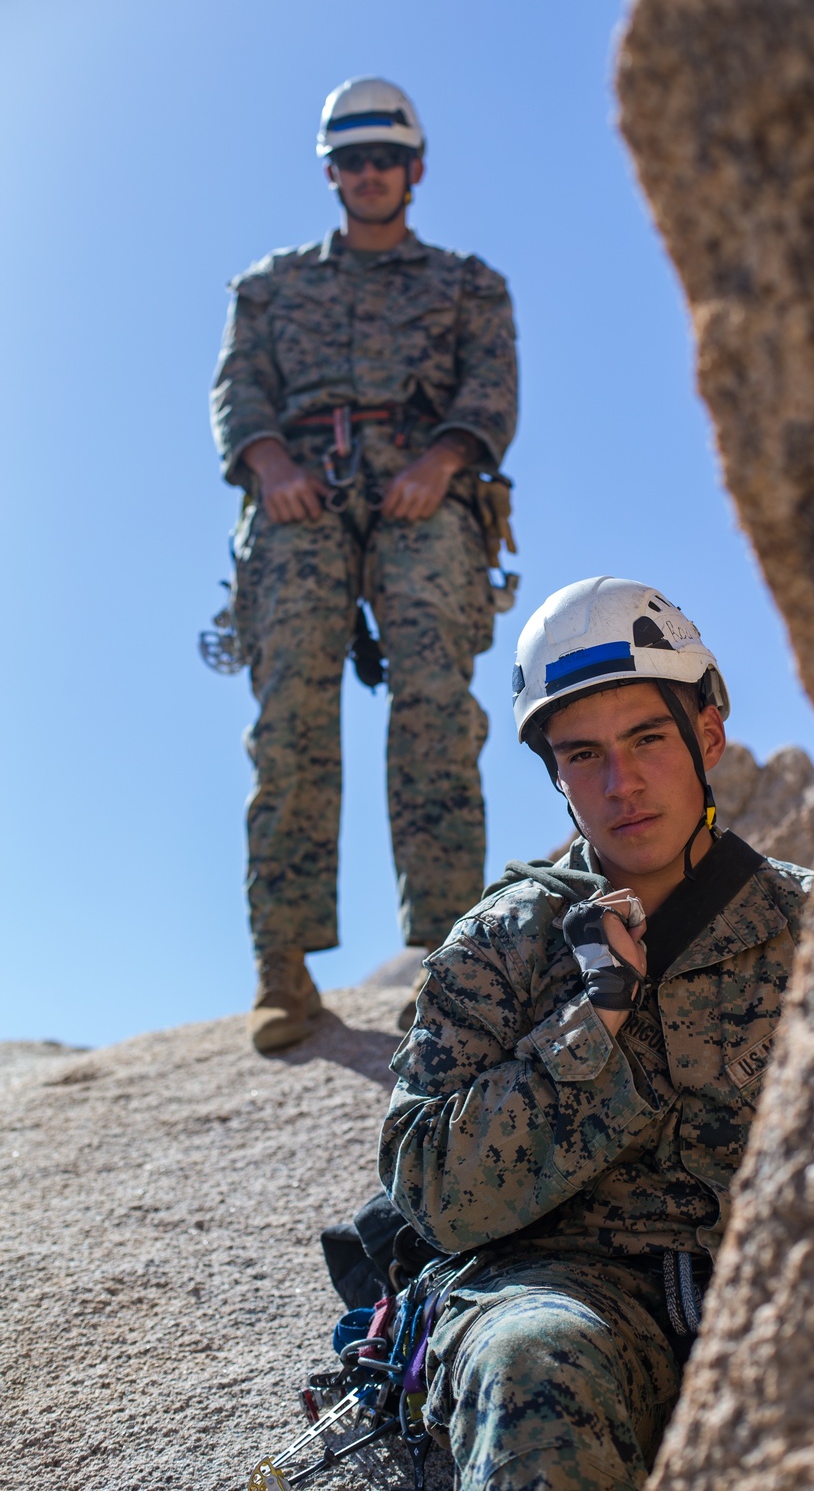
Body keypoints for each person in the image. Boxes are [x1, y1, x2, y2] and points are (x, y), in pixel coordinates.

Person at [378, 575, 814, 1491]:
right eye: (584, 755)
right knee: (534, 1357)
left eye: (648, 739)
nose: (622, 783)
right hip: (571, 1293)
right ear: (556, 775)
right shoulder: (503, 941)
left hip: (786, 1282)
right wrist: (594, 1021)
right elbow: (435, 1193)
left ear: (708, 734)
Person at [209, 77, 518, 1052]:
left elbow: (491, 390)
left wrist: (441, 461)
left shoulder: (470, 284)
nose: (370, 171)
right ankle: (283, 970)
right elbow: (238, 390)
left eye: (386, 156)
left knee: (434, 700)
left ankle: (454, 965)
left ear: (415, 169)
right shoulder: (268, 286)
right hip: (300, 490)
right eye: (351, 158)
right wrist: (268, 463)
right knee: (289, 713)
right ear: (330, 172)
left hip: (427, 490)